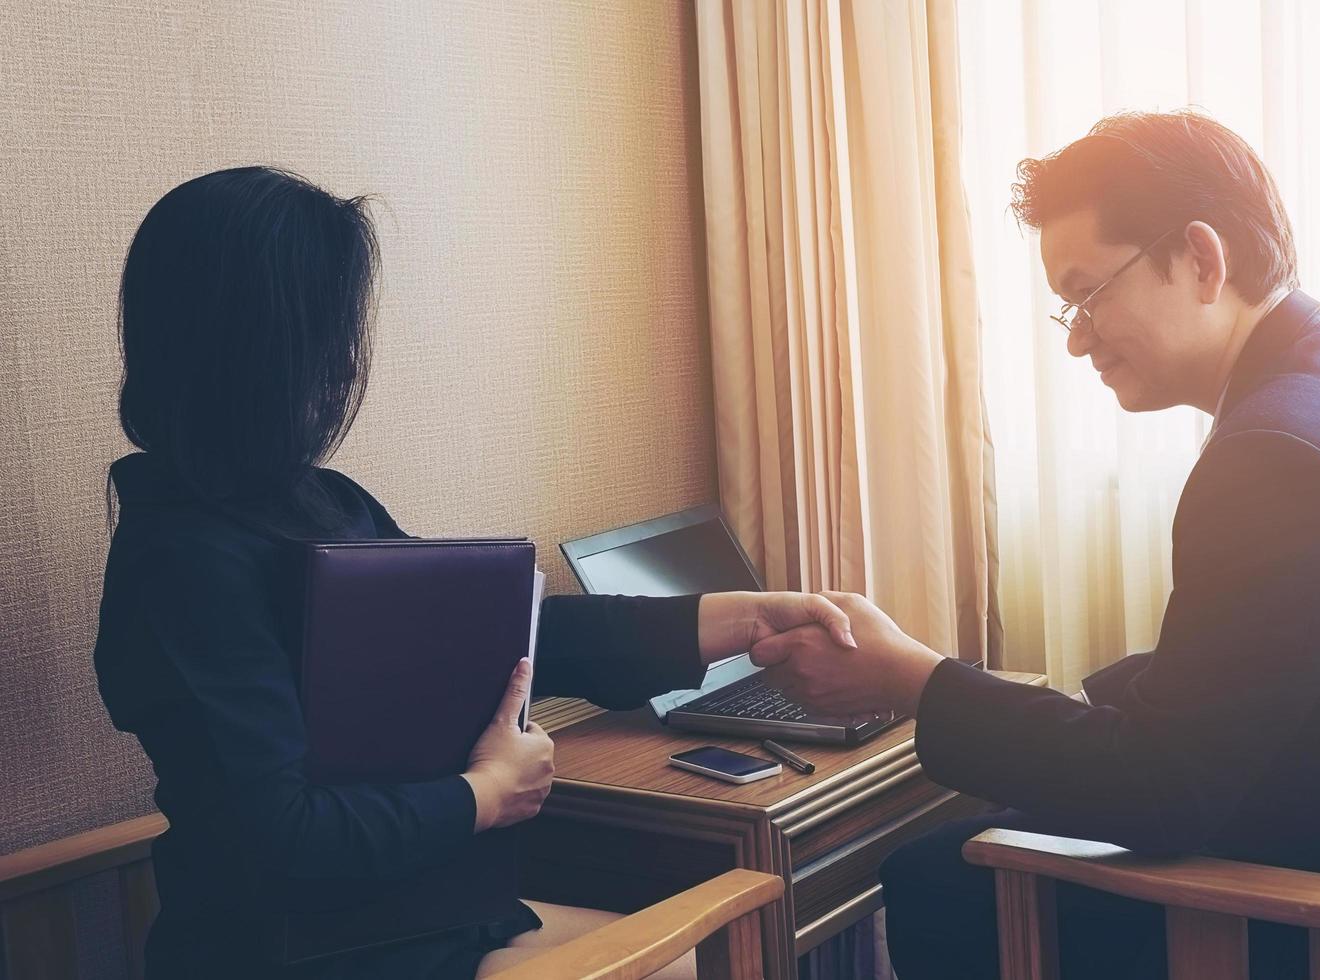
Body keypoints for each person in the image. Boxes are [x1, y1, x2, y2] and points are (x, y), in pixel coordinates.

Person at [747, 111, 1320, 979]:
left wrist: (910, 679)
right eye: (1068, 310)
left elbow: (1160, 793)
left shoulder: (1277, 454)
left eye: (1090, 295)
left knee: (935, 875)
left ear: (1203, 259)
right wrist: (1086, 703)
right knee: (1014, 802)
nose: (1080, 338)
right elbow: (1275, 656)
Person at [92, 166, 857, 980]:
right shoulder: (179, 563)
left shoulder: (323, 504)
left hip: (419, 912)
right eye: (324, 337)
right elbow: (281, 832)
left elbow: (496, 636)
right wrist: (485, 796)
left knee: (708, 952)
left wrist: (735, 619)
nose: (342, 367)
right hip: (289, 948)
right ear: (252, 348)